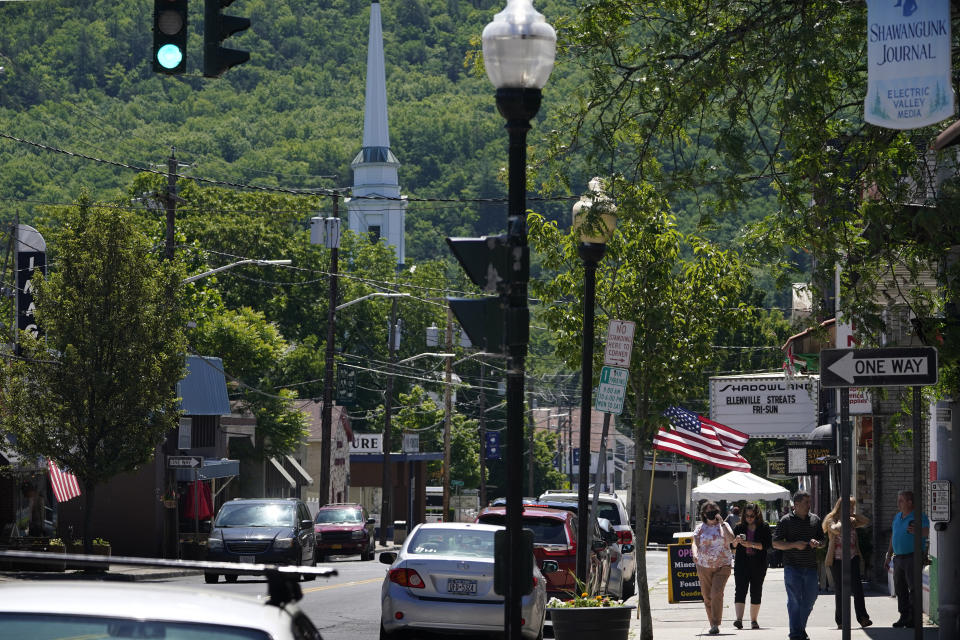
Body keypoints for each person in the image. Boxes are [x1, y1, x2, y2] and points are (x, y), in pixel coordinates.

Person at [773, 491, 825, 640]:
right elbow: (776, 543)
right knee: (794, 600)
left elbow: (823, 541)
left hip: (810, 567)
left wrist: (818, 543)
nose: (809, 505)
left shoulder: (815, 519)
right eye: (806, 503)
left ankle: (798, 630)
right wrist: (794, 544)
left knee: (810, 599)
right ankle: (796, 634)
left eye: (809, 502)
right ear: (796, 505)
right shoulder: (786, 520)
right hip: (792, 567)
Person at [822, 496, 872, 628]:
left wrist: (853, 515)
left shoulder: (852, 520)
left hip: (853, 557)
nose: (852, 509)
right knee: (840, 590)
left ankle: (863, 618)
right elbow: (836, 529)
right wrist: (843, 518)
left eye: (853, 507)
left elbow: (866, 521)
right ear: (841, 507)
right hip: (837, 559)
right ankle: (841, 621)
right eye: (850, 507)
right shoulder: (831, 519)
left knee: (858, 589)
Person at [883, 490, 929, 628]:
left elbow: (927, 531)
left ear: (910, 502)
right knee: (900, 588)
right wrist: (888, 555)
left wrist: (918, 531)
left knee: (914, 588)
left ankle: (914, 618)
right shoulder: (898, 516)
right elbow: (894, 536)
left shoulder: (919, 516)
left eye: (901, 500)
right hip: (898, 558)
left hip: (913, 556)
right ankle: (904, 616)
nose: (898, 503)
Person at [692, 500, 735, 635]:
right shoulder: (700, 528)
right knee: (707, 596)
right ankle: (713, 625)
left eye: (713, 511)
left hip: (723, 565)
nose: (711, 513)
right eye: (708, 511)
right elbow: (694, 542)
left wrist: (722, 523)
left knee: (716, 593)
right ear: (704, 514)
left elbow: (732, 539)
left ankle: (716, 622)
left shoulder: (725, 525)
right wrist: (694, 554)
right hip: (704, 565)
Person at [731, 503, 772, 630]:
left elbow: (767, 545)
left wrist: (751, 544)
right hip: (742, 564)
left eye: (752, 516)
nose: (749, 518)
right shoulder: (739, 527)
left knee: (756, 591)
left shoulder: (764, 527)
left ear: (757, 515)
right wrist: (736, 542)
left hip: (758, 564)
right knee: (740, 590)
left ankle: (754, 621)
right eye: (747, 515)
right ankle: (739, 619)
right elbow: (732, 548)